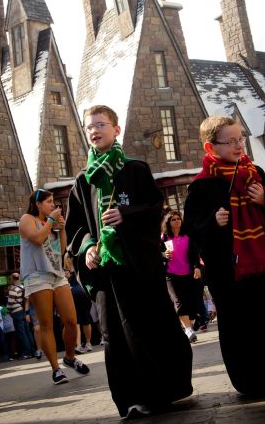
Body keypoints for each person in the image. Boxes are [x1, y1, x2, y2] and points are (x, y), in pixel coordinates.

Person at [66, 105, 192, 418]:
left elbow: (153, 208)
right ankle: (131, 398)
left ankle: (162, 391)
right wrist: (88, 248)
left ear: (116, 129)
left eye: (101, 124)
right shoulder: (83, 181)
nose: (94, 130)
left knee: (150, 327)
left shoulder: (135, 169)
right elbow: (76, 227)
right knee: (114, 334)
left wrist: (127, 216)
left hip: (138, 265)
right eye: (89, 127)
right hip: (106, 271)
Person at [184, 115, 265, 397]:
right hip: (229, 271)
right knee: (242, 325)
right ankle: (252, 381)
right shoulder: (201, 185)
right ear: (210, 146)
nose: (239, 145)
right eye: (231, 141)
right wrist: (213, 222)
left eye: (241, 139)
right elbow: (190, 229)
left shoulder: (257, 173)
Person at [19, 188, 90, 384]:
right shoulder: (27, 219)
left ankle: (69, 357)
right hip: (37, 276)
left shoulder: (51, 222)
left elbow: (61, 249)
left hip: (57, 274)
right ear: (38, 204)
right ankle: (56, 369)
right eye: (49, 201)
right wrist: (51, 221)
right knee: (47, 324)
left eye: (53, 201)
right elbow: (37, 238)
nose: (53, 205)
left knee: (70, 319)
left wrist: (62, 228)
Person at [160, 210, 202, 342]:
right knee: (178, 301)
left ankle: (187, 325)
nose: (177, 221)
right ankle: (189, 330)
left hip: (188, 274)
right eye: (173, 219)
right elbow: (156, 254)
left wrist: (197, 267)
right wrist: (163, 255)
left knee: (192, 302)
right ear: (168, 223)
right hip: (171, 275)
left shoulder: (187, 237)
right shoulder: (164, 238)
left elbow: (195, 254)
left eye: (178, 219)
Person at [6, 273, 34, 359]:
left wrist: (9, 310)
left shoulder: (13, 289)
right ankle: (32, 350)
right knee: (27, 331)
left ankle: (26, 352)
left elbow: (10, 303)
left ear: (12, 279)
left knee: (21, 333)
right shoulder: (23, 287)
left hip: (16, 312)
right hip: (24, 311)